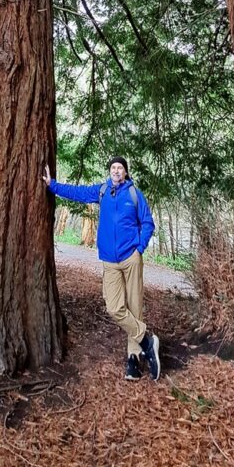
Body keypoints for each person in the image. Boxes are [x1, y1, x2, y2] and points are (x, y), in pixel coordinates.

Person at [42, 155, 161, 382]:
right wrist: (52, 185)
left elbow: (148, 223)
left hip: (131, 257)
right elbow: (77, 193)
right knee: (114, 307)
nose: (116, 171)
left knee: (134, 307)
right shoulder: (102, 191)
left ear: (126, 172)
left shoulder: (135, 194)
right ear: (110, 172)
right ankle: (147, 341)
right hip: (109, 260)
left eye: (120, 168)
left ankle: (134, 360)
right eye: (113, 168)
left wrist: (139, 248)